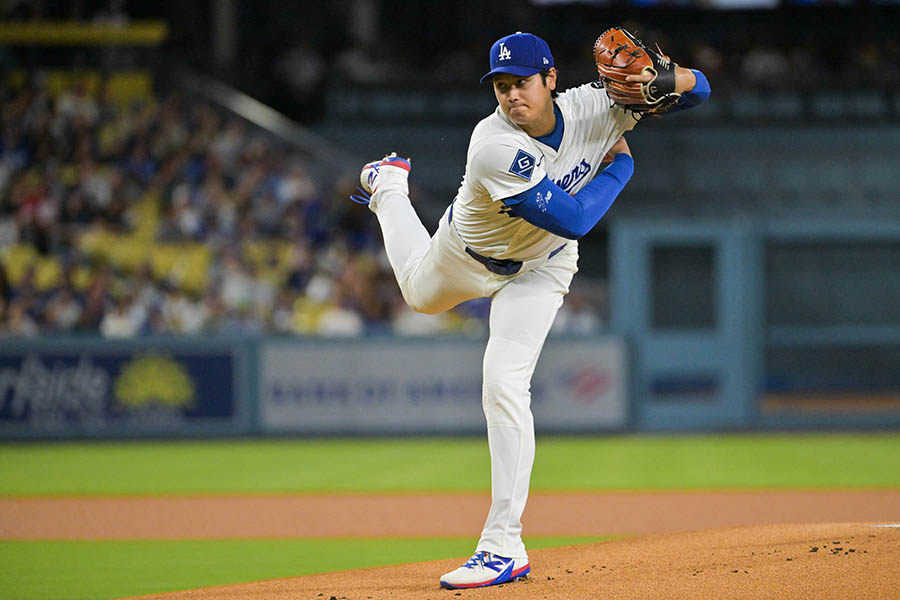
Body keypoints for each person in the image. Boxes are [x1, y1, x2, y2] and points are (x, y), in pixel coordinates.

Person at [354, 31, 710, 589]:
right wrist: (620, 169)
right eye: (500, 86)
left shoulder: (600, 105)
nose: (510, 95)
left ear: (550, 80)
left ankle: (503, 546)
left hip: (542, 267)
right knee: (419, 296)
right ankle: (390, 186)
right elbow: (574, 218)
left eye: (520, 82)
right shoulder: (492, 143)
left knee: (502, 384)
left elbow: (700, 91)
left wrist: (669, 80)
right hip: (468, 255)